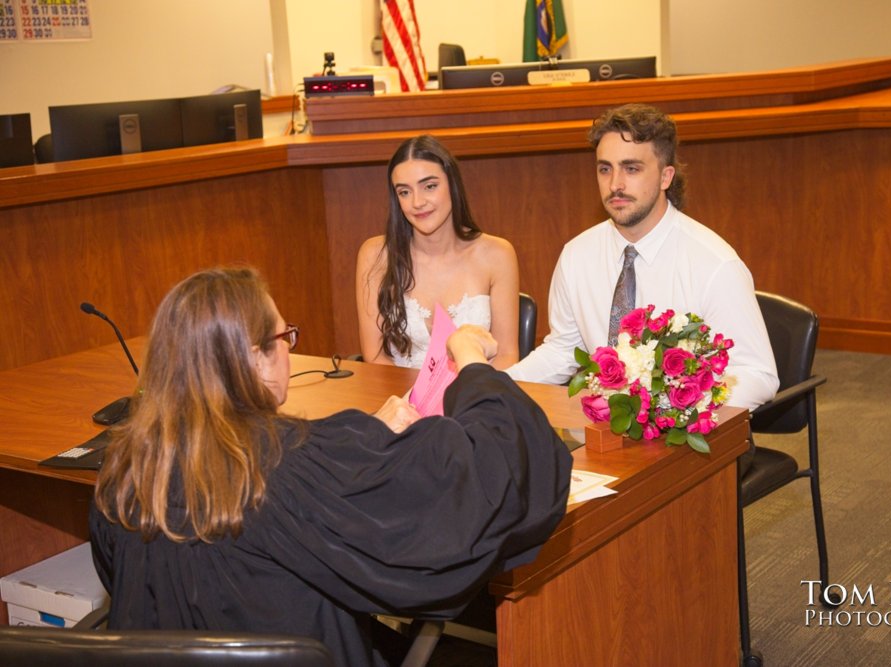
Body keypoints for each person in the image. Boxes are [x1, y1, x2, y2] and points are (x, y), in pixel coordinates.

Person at [90, 267, 572, 667]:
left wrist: (369, 439)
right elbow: (488, 471)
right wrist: (471, 365)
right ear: (253, 359)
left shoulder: (125, 473)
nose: (289, 348)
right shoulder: (291, 464)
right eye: (283, 337)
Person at [507, 103, 779, 410]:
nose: (615, 185)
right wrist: (502, 384)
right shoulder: (576, 256)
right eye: (605, 169)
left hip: (692, 441)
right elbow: (564, 349)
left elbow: (758, 375)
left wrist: (669, 407)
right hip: (599, 436)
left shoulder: (714, 264)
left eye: (632, 169)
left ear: (666, 177)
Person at [356, 134, 520, 370]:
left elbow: (506, 355)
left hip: (474, 398)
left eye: (429, 186)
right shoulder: (375, 255)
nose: (417, 202)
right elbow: (374, 357)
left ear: (452, 185)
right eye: (404, 192)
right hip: (400, 399)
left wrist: (470, 398)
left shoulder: (498, 255)